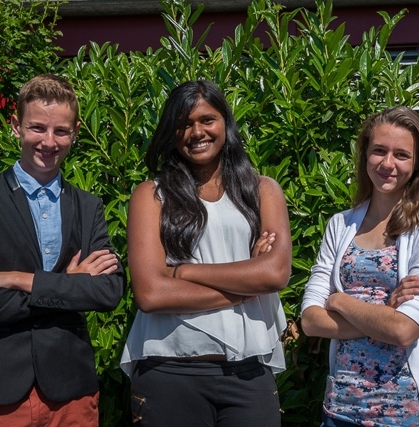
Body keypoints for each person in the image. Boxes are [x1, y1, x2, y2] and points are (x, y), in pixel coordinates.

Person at [0, 74, 125, 427]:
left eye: (61, 131)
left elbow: (108, 291)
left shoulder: (88, 206)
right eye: (37, 128)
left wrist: (19, 279)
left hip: (71, 392)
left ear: (75, 132)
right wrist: (68, 284)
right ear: (16, 126)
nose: (48, 141)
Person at [120, 80, 292, 427]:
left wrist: (183, 272)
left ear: (225, 122)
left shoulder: (262, 190)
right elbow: (151, 294)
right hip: (169, 369)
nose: (196, 132)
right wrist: (246, 285)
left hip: (248, 371)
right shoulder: (151, 195)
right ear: (171, 132)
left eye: (207, 120)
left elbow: (275, 274)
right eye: (184, 124)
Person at [301, 106, 419, 427]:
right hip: (339, 409)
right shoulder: (340, 225)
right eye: (379, 151)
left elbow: (403, 330)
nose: (387, 163)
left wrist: (339, 301)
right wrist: (386, 312)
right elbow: (311, 321)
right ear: (365, 155)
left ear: (417, 163)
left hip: (405, 413)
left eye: (401, 155)